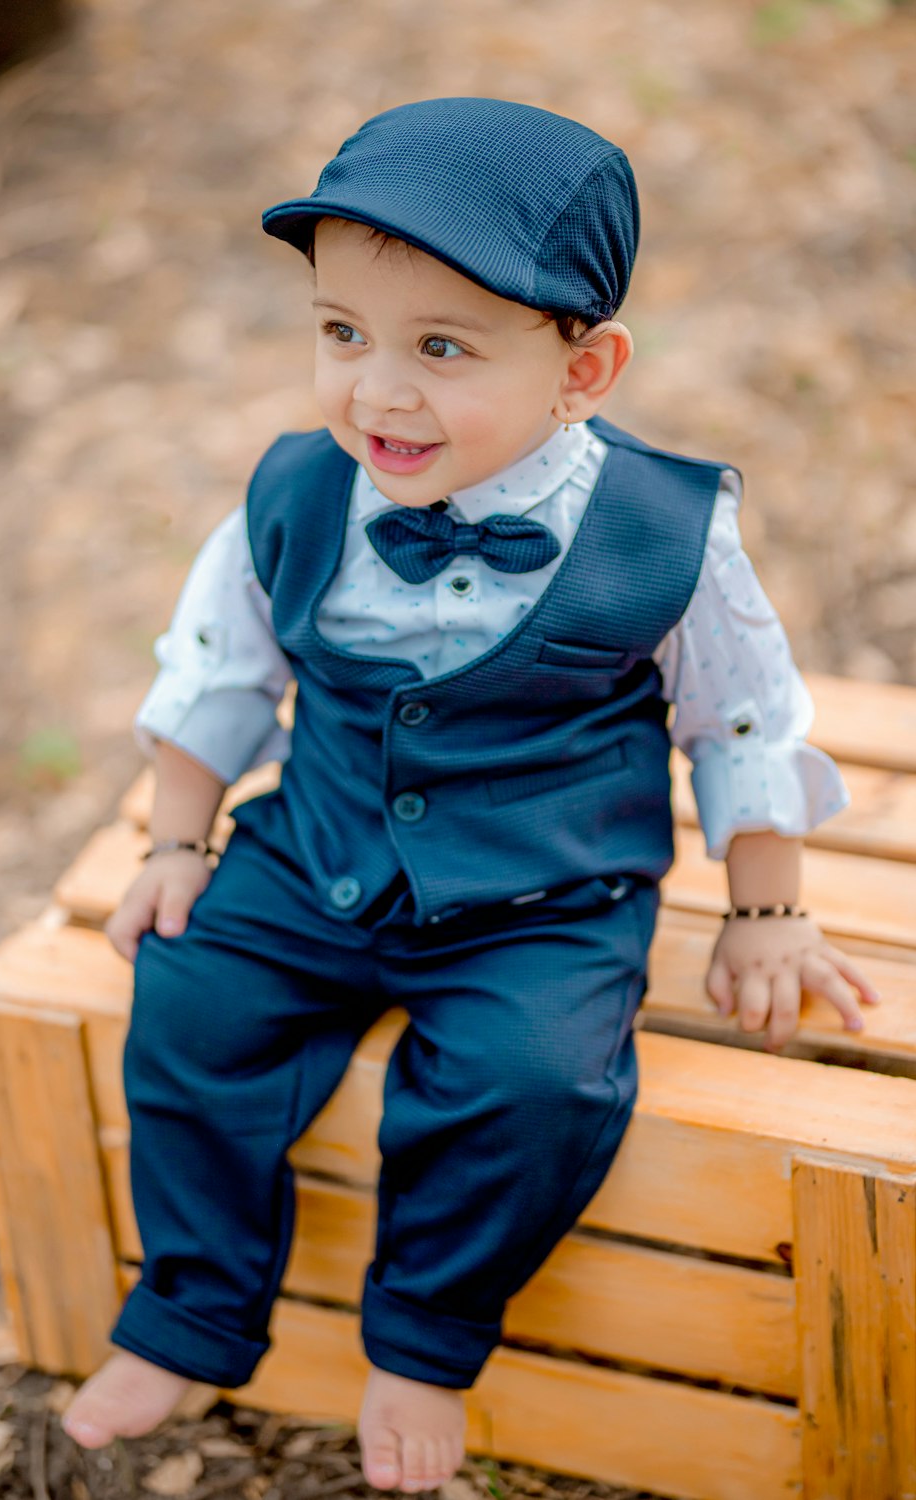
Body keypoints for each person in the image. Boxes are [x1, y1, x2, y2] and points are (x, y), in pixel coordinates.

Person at [62, 98, 878, 1490]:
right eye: (342, 334)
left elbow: (741, 716)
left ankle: (427, 1336)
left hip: (546, 895)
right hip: (318, 848)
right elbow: (214, 671)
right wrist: (181, 840)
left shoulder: (662, 535)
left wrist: (765, 909)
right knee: (189, 1003)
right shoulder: (296, 493)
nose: (378, 392)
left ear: (587, 367)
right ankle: (192, 1310)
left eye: (441, 348)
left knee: (536, 1081)